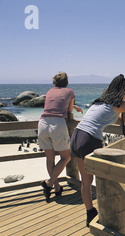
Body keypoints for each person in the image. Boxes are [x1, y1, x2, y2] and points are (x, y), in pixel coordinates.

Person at [70, 74, 125, 227]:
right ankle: (109, 213)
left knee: (86, 181)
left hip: (76, 137)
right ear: (123, 90)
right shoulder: (120, 104)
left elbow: (119, 121)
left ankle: (90, 212)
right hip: (89, 140)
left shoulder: (98, 102)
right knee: (104, 179)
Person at [38, 72, 83, 201]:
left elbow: (54, 106)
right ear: (66, 82)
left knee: (50, 159)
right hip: (57, 125)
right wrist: (72, 107)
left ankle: (56, 187)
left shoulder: (50, 91)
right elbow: (68, 112)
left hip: (43, 123)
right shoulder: (69, 91)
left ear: (54, 82)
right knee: (66, 157)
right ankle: (50, 183)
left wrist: (71, 106)